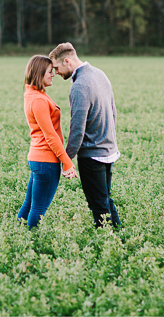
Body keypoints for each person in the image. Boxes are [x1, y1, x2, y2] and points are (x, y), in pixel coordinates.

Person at [49, 42, 121, 228]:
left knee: (98, 204)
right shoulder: (100, 74)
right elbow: (113, 112)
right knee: (105, 198)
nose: (55, 72)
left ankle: (107, 242)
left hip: (92, 155)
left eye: (56, 68)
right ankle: (119, 233)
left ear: (67, 61)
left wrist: (66, 160)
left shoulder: (79, 86)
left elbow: (77, 130)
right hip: (109, 150)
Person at [17, 55, 78, 229]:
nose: (53, 75)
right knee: (38, 207)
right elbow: (50, 136)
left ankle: (19, 235)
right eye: (50, 72)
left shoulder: (33, 94)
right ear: (39, 73)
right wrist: (67, 163)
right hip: (46, 161)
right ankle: (32, 242)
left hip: (39, 159)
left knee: (29, 204)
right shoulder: (38, 100)